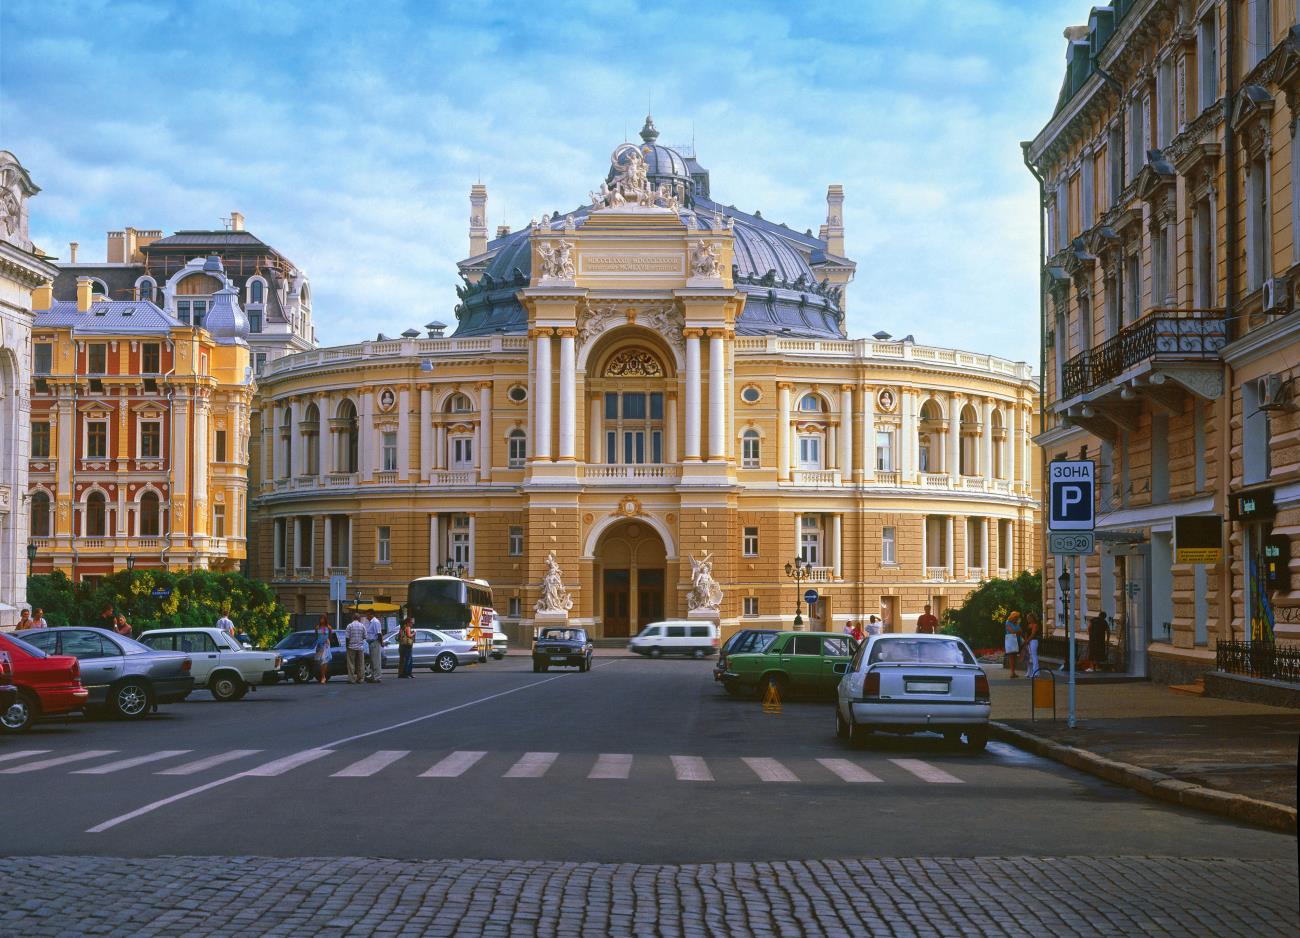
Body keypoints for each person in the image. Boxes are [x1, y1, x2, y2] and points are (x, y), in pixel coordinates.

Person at [345, 613, 368, 684]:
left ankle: (352, 679)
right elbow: (365, 636)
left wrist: (347, 646)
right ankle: (360, 679)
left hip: (351, 647)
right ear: (359, 618)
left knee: (351, 663)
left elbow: (347, 638)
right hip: (360, 647)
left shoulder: (349, 626)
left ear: (353, 618)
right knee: (361, 664)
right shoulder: (362, 626)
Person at [364, 612, 384, 683]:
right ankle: (374, 676)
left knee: (376, 660)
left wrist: (381, 643)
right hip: (371, 643)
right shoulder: (371, 622)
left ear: (371, 614)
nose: (367, 617)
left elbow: (379, 633)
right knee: (372, 661)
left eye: (367, 615)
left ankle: (377, 677)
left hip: (375, 642)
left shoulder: (375, 622)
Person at [314, 615, 333, 684]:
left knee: (324, 660)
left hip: (326, 645)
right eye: (321, 619)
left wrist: (328, 641)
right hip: (319, 645)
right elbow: (316, 636)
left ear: (325, 619)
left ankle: (323, 677)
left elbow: (330, 636)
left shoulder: (328, 627)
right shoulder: (317, 627)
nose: (322, 620)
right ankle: (323, 676)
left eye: (323, 619)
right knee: (320, 661)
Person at [1003, 611, 1022, 677]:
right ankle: (1012, 672)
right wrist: (1017, 632)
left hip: (1017, 640)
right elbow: (1011, 631)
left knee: (1015, 657)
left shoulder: (1017, 623)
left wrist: (1017, 632)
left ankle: (1014, 672)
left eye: (1017, 617)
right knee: (1011, 657)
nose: (1016, 618)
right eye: (1015, 617)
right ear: (1012, 617)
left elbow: (1020, 631)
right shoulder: (1008, 622)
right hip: (1011, 641)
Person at [1022, 612, 1041, 677]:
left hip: (1033, 641)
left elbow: (1033, 634)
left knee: (1034, 656)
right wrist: (1026, 640)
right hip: (1028, 641)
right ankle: (1029, 672)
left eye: (1029, 618)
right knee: (1028, 657)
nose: (1028, 619)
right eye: (1027, 618)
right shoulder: (1028, 625)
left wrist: (1027, 640)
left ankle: (1036, 672)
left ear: (1033, 618)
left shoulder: (1035, 625)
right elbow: (1026, 633)